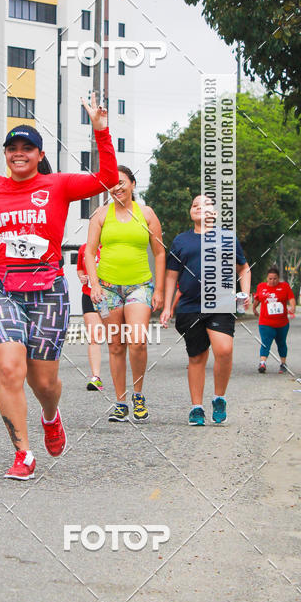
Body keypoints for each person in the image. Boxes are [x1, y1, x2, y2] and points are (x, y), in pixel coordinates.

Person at [0, 96, 118, 479]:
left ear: (38, 154)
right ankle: (23, 454)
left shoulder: (58, 185)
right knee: (10, 370)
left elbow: (108, 179)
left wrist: (101, 131)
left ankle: (51, 415)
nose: (19, 154)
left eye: (26, 149)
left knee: (43, 381)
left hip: (48, 289)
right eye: (12, 149)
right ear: (5, 155)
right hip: (4, 289)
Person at [160, 195, 251, 426]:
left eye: (206, 205)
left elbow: (244, 268)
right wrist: (168, 307)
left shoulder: (228, 238)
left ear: (216, 213)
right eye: (195, 205)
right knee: (197, 356)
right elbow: (171, 275)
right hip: (190, 306)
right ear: (190, 212)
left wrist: (245, 292)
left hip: (221, 303)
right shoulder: (181, 241)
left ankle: (219, 398)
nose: (200, 208)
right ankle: (197, 408)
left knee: (224, 350)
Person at [85, 166, 165, 422]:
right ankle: (120, 401)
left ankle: (138, 394)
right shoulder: (100, 214)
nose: (117, 187)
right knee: (116, 345)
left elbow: (160, 253)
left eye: (121, 182)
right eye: (112, 184)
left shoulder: (147, 214)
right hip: (107, 288)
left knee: (138, 340)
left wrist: (159, 289)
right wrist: (94, 284)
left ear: (132, 183)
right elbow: (88, 252)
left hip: (139, 286)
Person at [253, 266, 295, 373]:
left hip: (282, 323)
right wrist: (254, 308)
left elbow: (291, 298)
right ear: (267, 278)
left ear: (278, 278)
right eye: (270, 279)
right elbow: (257, 299)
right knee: (265, 342)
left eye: (275, 278)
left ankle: (283, 363)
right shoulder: (261, 287)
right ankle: (262, 363)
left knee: (281, 343)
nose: (272, 281)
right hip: (265, 322)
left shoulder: (285, 286)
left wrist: (293, 307)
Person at [76, 241, 103, 391]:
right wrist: (82, 277)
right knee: (94, 336)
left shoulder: (111, 246)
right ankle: (96, 377)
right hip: (89, 294)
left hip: (110, 296)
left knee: (118, 338)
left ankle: (122, 374)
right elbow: (79, 269)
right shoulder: (83, 248)